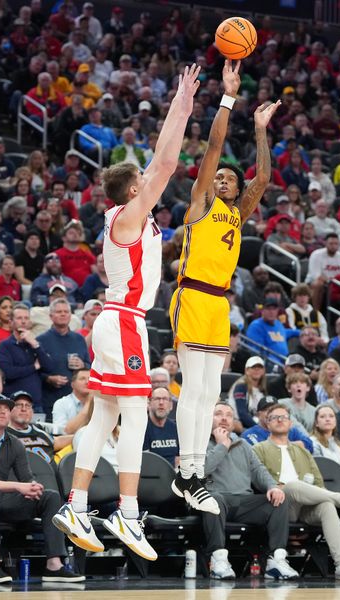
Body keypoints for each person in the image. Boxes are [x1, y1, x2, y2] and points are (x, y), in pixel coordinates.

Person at [53, 64, 202, 560]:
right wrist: (181, 107)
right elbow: (165, 163)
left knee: (104, 418)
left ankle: (75, 504)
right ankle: (128, 513)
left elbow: (157, 168)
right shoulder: (128, 215)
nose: (151, 181)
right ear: (133, 191)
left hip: (115, 322)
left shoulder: (132, 220)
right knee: (137, 418)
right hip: (123, 323)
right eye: (143, 181)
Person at [169, 61, 281, 514]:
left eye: (227, 179)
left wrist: (259, 130)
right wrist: (229, 100)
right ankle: (188, 471)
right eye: (217, 177)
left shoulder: (238, 210)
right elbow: (214, 147)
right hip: (193, 294)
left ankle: (192, 473)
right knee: (193, 389)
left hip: (220, 305)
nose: (219, 180)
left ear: (237, 190)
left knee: (211, 393)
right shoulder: (201, 203)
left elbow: (265, 178)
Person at [0, 393, 82, 583]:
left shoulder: (15, 444)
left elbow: (26, 478)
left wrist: (33, 487)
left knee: (50, 496)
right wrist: (18, 486)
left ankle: (54, 565)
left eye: (6, 408)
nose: (3, 411)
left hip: (1, 499)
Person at [254, 403, 340, 581]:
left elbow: (318, 484)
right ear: (267, 423)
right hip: (277, 507)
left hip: (304, 507)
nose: (280, 420)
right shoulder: (258, 449)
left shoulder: (302, 451)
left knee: (327, 505)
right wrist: (278, 487)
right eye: (274, 417)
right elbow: (257, 481)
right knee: (293, 485)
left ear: (290, 424)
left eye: (284, 417)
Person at [199, 402, 298, 580]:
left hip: (244, 502)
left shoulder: (242, 444)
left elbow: (258, 470)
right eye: (218, 414)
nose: (224, 418)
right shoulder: (199, 442)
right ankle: (218, 560)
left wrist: (272, 487)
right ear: (208, 418)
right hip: (217, 501)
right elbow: (201, 471)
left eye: (229, 415)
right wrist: (221, 445)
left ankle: (276, 561)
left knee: (279, 501)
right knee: (211, 498)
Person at [0, 303, 56, 412]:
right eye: (19, 318)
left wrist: (35, 345)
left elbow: (50, 367)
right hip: (13, 403)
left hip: (35, 405)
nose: (23, 321)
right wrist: (34, 367)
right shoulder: (5, 345)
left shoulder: (35, 344)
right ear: (11, 322)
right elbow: (7, 373)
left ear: (30, 322)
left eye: (26, 318)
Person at [36, 299, 90, 418]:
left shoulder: (79, 339)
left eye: (66, 311)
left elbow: (89, 366)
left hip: (79, 401)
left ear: (71, 315)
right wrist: (49, 378)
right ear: (51, 316)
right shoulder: (41, 340)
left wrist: (83, 365)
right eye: (59, 311)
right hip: (51, 399)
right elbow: (34, 372)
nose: (63, 314)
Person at [6, 390, 69, 463]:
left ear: (32, 412)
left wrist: (81, 433)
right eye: (18, 405)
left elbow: (58, 442)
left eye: (28, 405)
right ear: (9, 410)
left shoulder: (40, 431)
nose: (24, 409)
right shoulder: (2, 435)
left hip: (50, 473)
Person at [142, 386, 179, 465]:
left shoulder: (176, 428)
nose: (161, 402)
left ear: (171, 405)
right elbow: (146, 461)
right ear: (149, 403)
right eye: (157, 399)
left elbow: (179, 459)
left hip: (173, 473)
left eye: (165, 399)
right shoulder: (142, 428)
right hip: (150, 474)